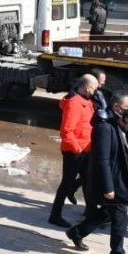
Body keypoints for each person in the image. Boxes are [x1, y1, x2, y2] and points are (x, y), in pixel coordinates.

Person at [66, 92, 128, 254]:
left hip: (123, 178)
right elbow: (102, 160)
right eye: (127, 108)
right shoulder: (104, 128)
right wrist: (108, 187)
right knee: (120, 217)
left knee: (107, 214)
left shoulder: (125, 124)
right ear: (116, 107)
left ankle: (77, 232)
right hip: (112, 181)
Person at [48, 74, 98, 227]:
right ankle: (55, 215)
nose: (96, 92)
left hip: (86, 148)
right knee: (67, 182)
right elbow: (66, 131)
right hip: (75, 151)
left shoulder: (87, 101)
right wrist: (77, 149)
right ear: (87, 87)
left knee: (89, 181)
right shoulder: (75, 104)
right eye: (94, 89)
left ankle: (91, 213)